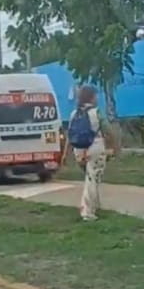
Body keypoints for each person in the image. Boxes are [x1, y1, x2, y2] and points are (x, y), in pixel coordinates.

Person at [63, 85, 117, 222]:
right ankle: (87, 212)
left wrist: (65, 154)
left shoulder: (74, 114)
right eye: (95, 95)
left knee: (90, 178)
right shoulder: (96, 112)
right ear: (91, 97)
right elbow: (108, 131)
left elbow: (69, 135)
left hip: (78, 150)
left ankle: (95, 206)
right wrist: (114, 147)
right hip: (95, 147)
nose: (97, 98)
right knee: (92, 180)